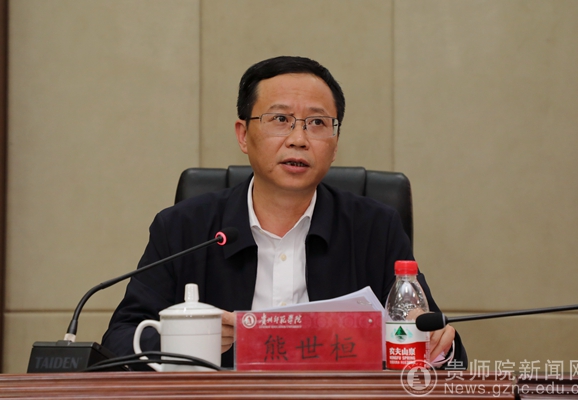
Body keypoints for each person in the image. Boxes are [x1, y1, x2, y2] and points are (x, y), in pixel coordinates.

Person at [102, 56, 467, 369]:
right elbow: (119, 340)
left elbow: (443, 350)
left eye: (317, 123)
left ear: (335, 144)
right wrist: (191, 341)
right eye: (280, 119)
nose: (298, 139)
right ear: (243, 135)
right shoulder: (183, 228)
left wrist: (437, 345)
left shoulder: (375, 228)